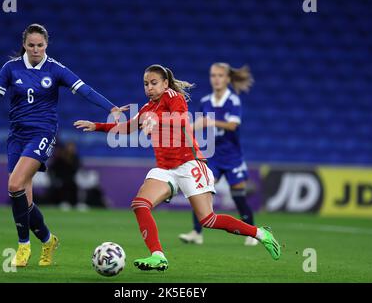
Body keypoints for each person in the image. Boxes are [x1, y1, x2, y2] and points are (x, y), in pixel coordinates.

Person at [74, 64, 281, 271]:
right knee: (140, 204)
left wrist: (157, 120)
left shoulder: (173, 97)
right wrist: (97, 126)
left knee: (208, 219)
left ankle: (261, 234)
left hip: (189, 164)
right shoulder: (147, 109)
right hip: (165, 169)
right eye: (146, 84)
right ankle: (158, 255)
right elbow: (127, 127)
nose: (149, 88)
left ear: (165, 84)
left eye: (154, 83)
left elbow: (182, 119)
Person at [0, 23, 127, 267]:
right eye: (31, 45)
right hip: (17, 135)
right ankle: (48, 240)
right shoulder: (10, 68)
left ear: (47, 45)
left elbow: (84, 89)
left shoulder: (55, 69)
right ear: (24, 44)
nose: (36, 49)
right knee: (25, 199)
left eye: (40, 45)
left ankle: (23, 246)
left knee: (14, 184)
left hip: (42, 133)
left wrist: (111, 107)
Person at [179, 63, 258, 246]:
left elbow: (233, 125)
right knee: (200, 191)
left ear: (228, 79)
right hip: (213, 156)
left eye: (220, 75)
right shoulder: (205, 101)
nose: (216, 79)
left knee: (238, 195)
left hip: (232, 157)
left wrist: (209, 122)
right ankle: (196, 232)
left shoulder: (233, 101)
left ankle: (252, 233)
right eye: (213, 75)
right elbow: (200, 125)